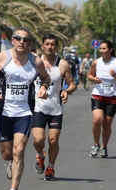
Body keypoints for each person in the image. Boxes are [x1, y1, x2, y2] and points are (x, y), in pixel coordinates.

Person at [0, 26, 50, 190]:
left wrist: (44, 87)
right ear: (12, 40)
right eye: (18, 38)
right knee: (7, 154)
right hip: (3, 111)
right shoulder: (1, 59)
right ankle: (11, 162)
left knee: (19, 150)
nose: (22, 42)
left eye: (25, 39)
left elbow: (46, 78)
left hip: (25, 112)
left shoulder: (35, 62)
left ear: (29, 43)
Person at [32, 34, 76, 180]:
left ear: (56, 47)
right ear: (42, 46)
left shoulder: (62, 64)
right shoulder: (35, 62)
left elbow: (72, 84)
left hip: (55, 109)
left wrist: (66, 91)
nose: (50, 47)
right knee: (38, 140)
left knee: (53, 140)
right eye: (47, 44)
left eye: (53, 44)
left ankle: (50, 167)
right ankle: (40, 155)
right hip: (38, 107)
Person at [87, 40, 116, 158]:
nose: (102, 51)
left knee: (106, 125)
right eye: (101, 49)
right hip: (98, 95)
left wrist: (115, 76)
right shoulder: (96, 62)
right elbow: (89, 75)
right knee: (97, 120)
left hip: (112, 97)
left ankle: (104, 147)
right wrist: (94, 79)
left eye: (104, 49)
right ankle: (95, 144)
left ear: (110, 50)